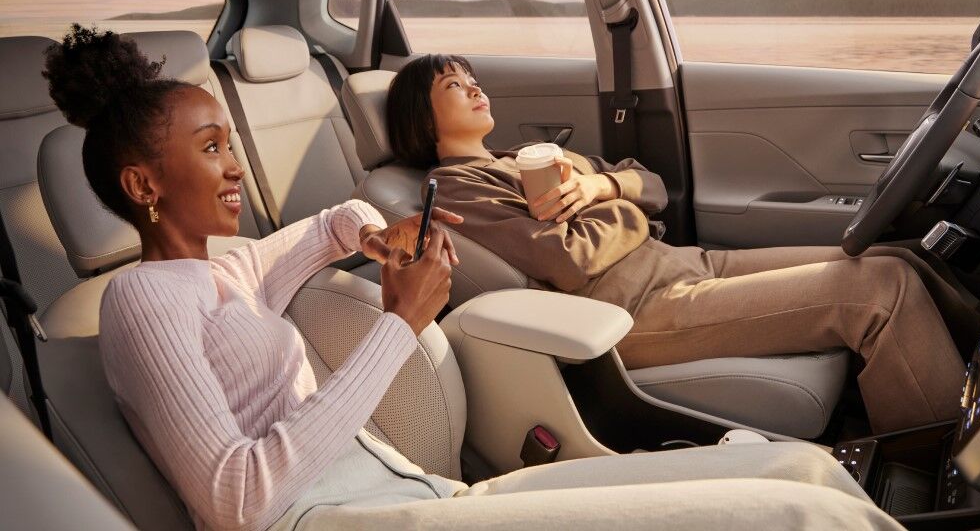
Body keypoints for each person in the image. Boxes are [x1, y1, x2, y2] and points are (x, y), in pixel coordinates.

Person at [43, 26, 902, 531]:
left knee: (802, 472)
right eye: (210, 148)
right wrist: (396, 326)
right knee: (802, 521)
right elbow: (235, 500)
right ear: (142, 186)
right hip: (337, 521)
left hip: (409, 494)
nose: (234, 167)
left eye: (231, 142)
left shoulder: (229, 270)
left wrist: (382, 234)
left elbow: (328, 224)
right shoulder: (140, 300)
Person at [388, 54, 980, 435]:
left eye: (472, 78)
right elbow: (569, 259)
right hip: (638, 310)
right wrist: (628, 211)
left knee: (889, 255)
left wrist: (603, 184)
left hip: (683, 266)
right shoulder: (456, 188)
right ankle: (952, 464)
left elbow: (649, 183)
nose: (473, 88)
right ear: (423, 114)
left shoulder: (529, 159)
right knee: (876, 291)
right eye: (452, 84)